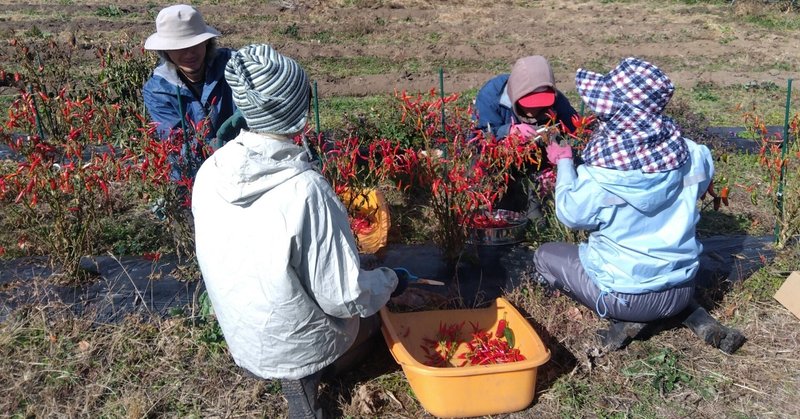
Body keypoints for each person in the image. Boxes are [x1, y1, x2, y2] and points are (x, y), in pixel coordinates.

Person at [191, 44, 409, 418]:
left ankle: (298, 377)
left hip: (242, 335)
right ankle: (304, 399)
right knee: (373, 318)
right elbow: (344, 296)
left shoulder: (211, 171)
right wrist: (391, 281)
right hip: (290, 344)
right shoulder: (305, 189)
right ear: (299, 113)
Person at [534, 57, 745, 354]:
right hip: (683, 287)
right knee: (663, 291)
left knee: (545, 256)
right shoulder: (694, 156)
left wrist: (565, 162)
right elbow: (698, 184)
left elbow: (569, 214)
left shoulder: (602, 179)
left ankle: (627, 319)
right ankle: (689, 315)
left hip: (626, 297)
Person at [143, 4, 245, 177]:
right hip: (192, 173)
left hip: (242, 161)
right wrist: (212, 147)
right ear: (166, 51)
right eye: (179, 47)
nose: (189, 54)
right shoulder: (157, 90)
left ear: (206, 42)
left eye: (195, 44)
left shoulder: (234, 65)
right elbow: (176, 144)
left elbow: (253, 115)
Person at [473, 56, 580, 220]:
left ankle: (537, 208)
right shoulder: (492, 95)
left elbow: (575, 129)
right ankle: (505, 201)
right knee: (502, 207)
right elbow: (478, 137)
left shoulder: (556, 99)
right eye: (529, 104)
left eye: (540, 104)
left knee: (536, 215)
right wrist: (508, 131)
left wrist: (559, 148)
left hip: (538, 161)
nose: (534, 110)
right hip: (502, 159)